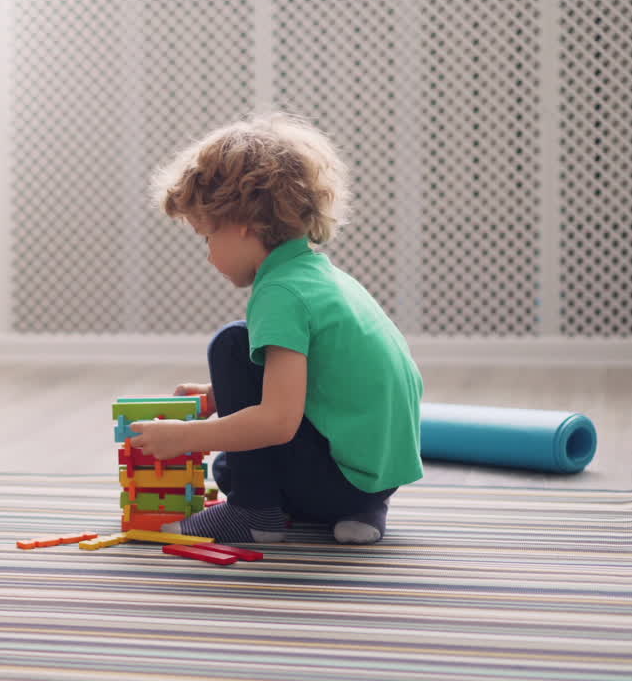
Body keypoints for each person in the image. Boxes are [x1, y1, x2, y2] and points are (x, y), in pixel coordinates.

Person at [129, 112, 422, 545]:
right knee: (230, 461)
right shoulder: (322, 278)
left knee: (232, 344)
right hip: (371, 482)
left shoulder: (280, 292)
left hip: (336, 482)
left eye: (207, 237)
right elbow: (322, 381)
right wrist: (218, 396)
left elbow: (278, 423)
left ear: (242, 224)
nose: (208, 255)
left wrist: (185, 437)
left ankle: (253, 514)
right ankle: (364, 513)